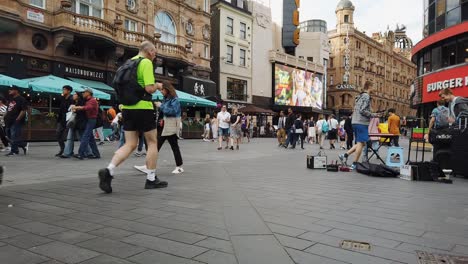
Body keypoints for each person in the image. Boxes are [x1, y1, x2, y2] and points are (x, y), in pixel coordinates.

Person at [99, 41, 166, 193]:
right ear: (149, 51)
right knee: (152, 142)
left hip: (127, 109)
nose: (155, 55)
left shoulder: (128, 63)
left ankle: (109, 170)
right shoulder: (146, 63)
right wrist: (158, 85)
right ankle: (151, 179)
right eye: (154, 52)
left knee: (130, 144)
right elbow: (149, 88)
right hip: (143, 107)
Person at [135, 81, 184, 174]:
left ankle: (178, 167)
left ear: (167, 89)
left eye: (162, 90)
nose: (161, 92)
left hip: (170, 126)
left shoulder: (174, 99)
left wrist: (161, 105)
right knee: (161, 146)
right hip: (164, 126)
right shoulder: (167, 99)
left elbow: (173, 111)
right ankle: (178, 166)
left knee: (163, 146)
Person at [339, 81, 380, 170]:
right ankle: (354, 163)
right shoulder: (366, 96)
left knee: (361, 143)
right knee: (361, 144)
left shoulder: (359, 96)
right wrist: (374, 115)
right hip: (361, 122)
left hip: (355, 121)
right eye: (374, 87)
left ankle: (344, 155)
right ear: (369, 87)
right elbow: (362, 110)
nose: (375, 89)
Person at [72, 88, 100, 160]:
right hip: (90, 120)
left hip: (91, 120)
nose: (83, 94)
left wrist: (78, 107)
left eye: (84, 92)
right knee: (90, 138)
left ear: (88, 93)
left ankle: (81, 154)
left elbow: (88, 107)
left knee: (85, 137)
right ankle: (96, 154)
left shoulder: (92, 100)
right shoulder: (89, 100)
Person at [60, 92, 90, 158]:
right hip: (73, 122)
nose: (73, 95)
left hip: (79, 123)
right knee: (70, 138)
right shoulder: (73, 103)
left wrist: (75, 109)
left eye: (75, 94)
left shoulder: (82, 103)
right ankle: (67, 153)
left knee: (81, 138)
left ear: (78, 96)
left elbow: (83, 113)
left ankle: (88, 152)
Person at [4, 86, 29, 156]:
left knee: (14, 136)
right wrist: (4, 116)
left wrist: (18, 118)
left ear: (16, 91)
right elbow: (8, 109)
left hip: (16, 121)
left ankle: (14, 151)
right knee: (9, 136)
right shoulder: (10, 99)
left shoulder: (22, 99)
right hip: (9, 120)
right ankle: (24, 144)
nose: (9, 91)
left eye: (11, 90)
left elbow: (24, 110)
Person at [55, 85, 73, 156]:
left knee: (69, 137)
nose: (63, 91)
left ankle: (69, 151)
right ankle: (62, 149)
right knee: (58, 134)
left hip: (68, 120)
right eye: (63, 89)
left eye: (64, 89)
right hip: (61, 119)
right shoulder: (62, 98)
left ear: (69, 91)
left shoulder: (71, 99)